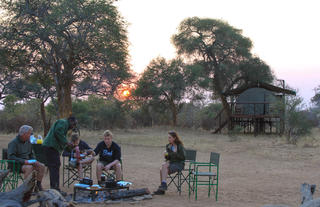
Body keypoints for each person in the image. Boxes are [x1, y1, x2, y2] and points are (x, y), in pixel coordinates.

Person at [42, 116, 77, 193]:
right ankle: (55, 188)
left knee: (54, 166)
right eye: (74, 124)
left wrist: (69, 147)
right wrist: (67, 142)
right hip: (50, 146)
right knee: (54, 166)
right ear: (70, 121)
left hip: (51, 147)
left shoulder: (64, 125)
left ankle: (54, 188)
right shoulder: (63, 122)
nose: (74, 126)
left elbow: (60, 138)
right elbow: (58, 132)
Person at [7, 125, 45, 191]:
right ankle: (26, 189)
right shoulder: (13, 143)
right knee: (29, 168)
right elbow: (11, 157)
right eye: (30, 133)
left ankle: (38, 185)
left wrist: (34, 160)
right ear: (24, 134)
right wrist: (23, 161)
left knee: (41, 166)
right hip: (16, 165)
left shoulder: (28, 142)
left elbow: (31, 154)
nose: (31, 135)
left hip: (27, 162)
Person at [153, 131, 186, 195]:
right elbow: (168, 158)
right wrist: (166, 155)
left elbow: (183, 157)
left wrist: (173, 153)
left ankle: (162, 188)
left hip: (179, 164)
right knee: (162, 168)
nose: (168, 139)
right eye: (168, 138)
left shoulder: (179, 146)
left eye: (170, 137)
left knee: (163, 168)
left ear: (174, 138)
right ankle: (163, 187)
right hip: (171, 163)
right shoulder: (168, 146)